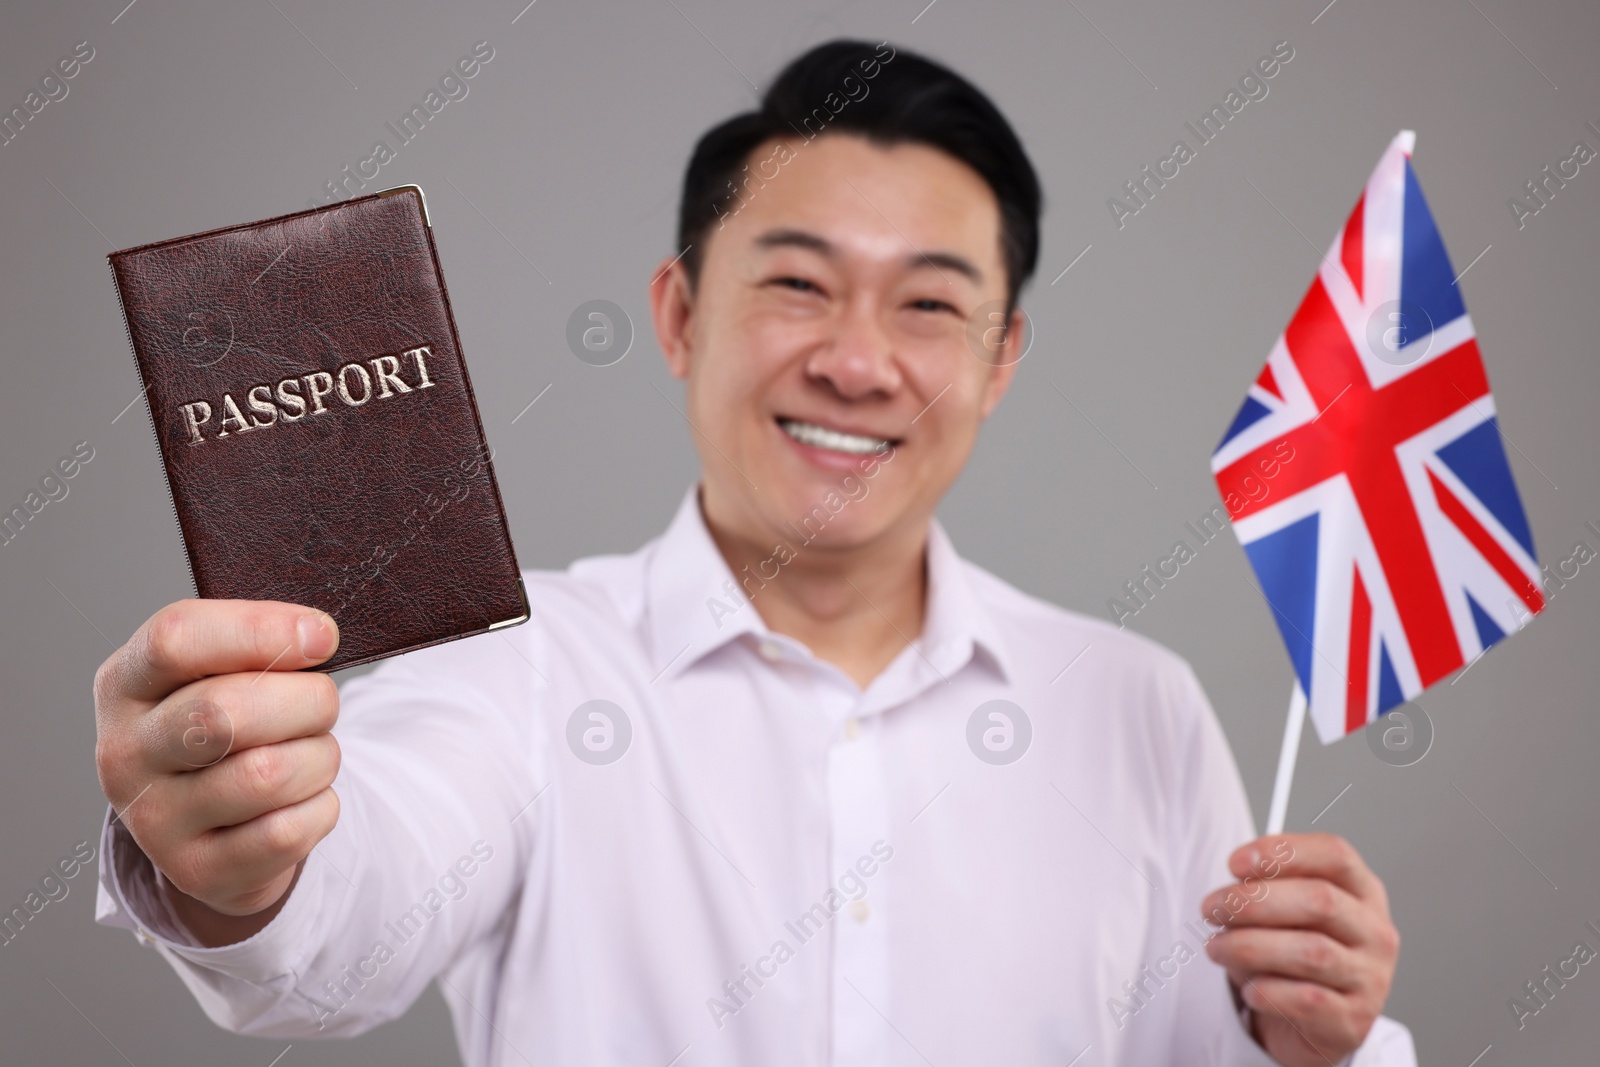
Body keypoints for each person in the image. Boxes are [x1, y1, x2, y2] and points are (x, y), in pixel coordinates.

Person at [92, 39, 1415, 1067]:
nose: (854, 360)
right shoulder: (526, 668)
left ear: (1003, 360)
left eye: (932, 306)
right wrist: (245, 864)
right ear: (678, 314)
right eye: (795, 282)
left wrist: (1316, 1045)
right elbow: (353, 906)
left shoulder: (1141, 711)